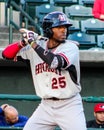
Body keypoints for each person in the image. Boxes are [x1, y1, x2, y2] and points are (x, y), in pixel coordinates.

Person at [2, 11, 87, 130]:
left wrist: (32, 42)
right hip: (46, 106)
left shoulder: (70, 47)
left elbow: (54, 62)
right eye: (59, 27)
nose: (64, 30)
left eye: (65, 27)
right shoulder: (36, 47)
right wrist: (23, 42)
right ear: (48, 30)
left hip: (69, 105)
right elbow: (6, 55)